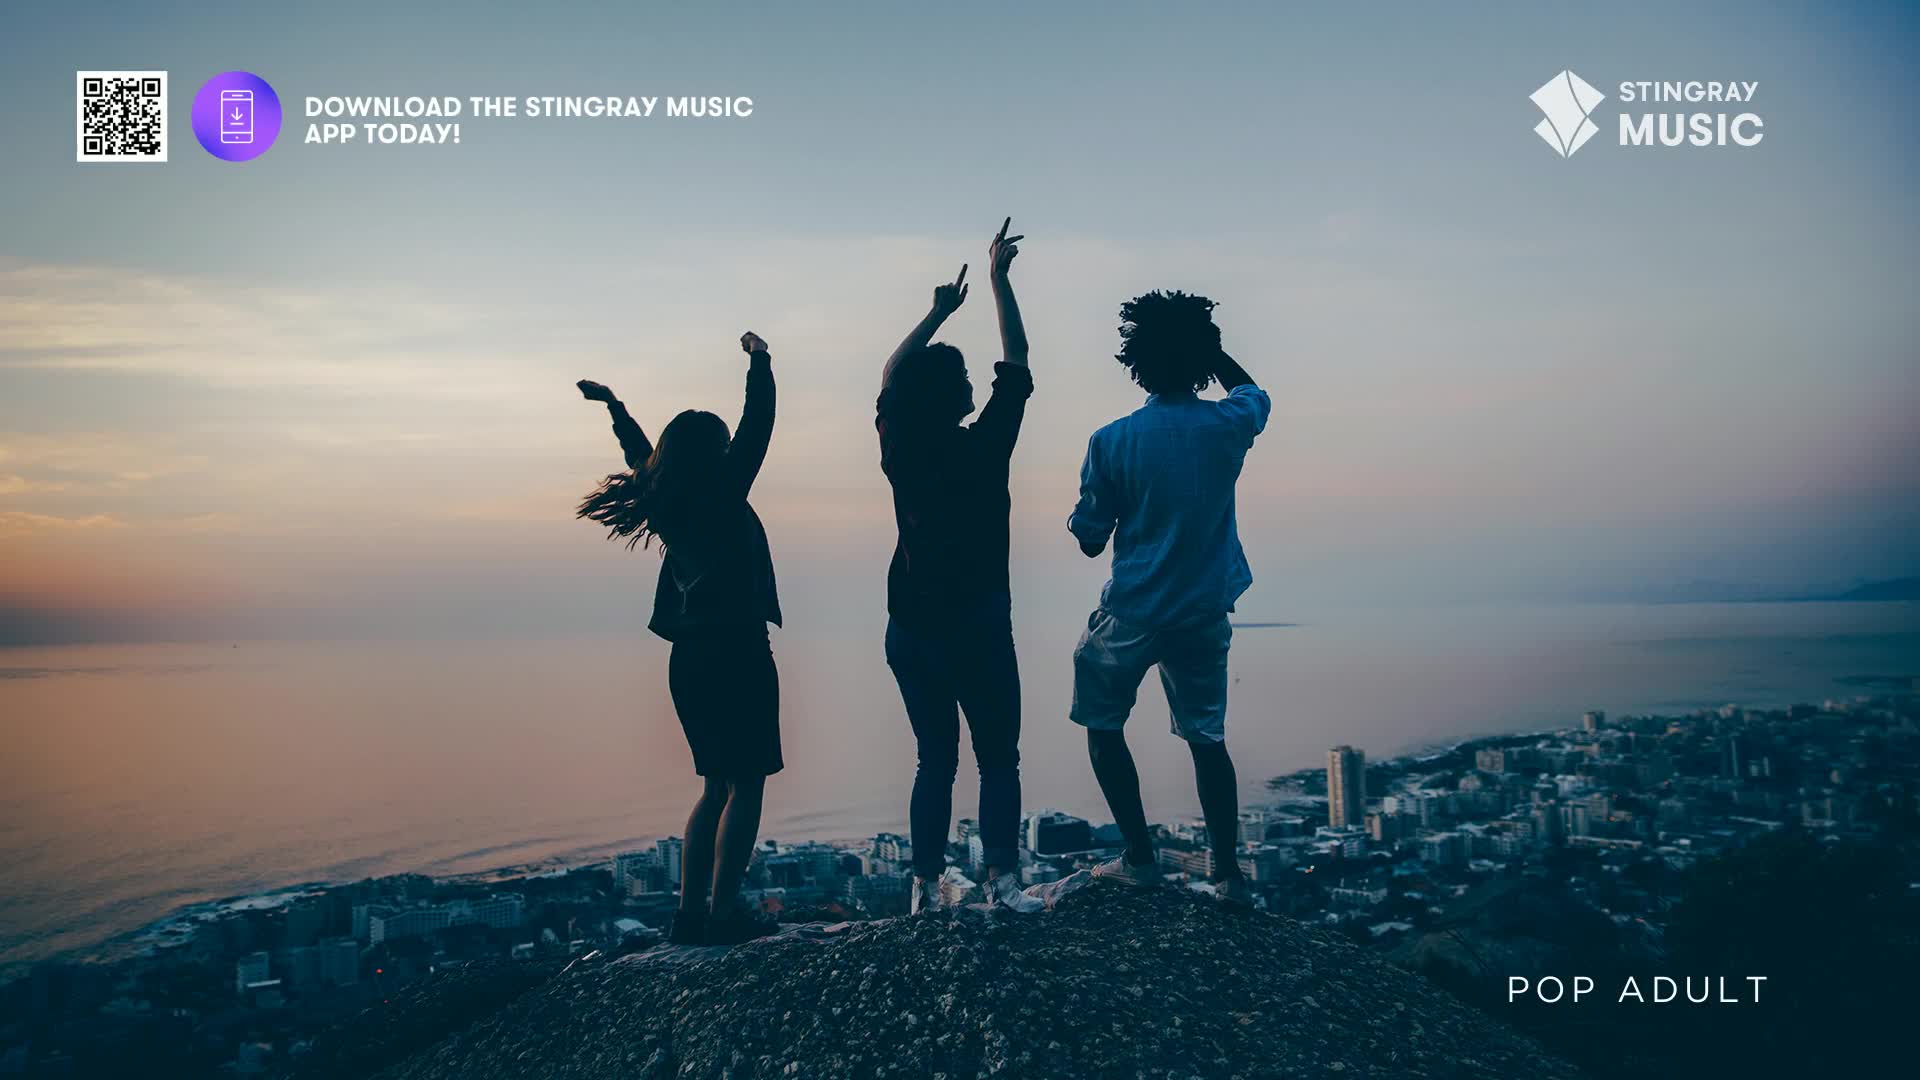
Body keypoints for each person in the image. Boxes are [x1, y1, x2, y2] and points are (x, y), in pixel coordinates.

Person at [576, 331, 784, 945]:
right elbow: (760, 422)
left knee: (714, 786)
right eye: (722, 445)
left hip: (688, 660)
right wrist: (759, 360)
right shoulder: (723, 493)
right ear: (716, 454)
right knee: (746, 785)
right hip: (739, 653)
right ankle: (723, 917)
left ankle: (691, 914)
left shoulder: (662, 496)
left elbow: (641, 453)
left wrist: (617, 407)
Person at [1066, 291, 1271, 907]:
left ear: (1137, 363)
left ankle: (1140, 858)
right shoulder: (1226, 426)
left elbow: (1090, 538)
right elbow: (1254, 394)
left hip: (1132, 611)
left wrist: (1084, 520)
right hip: (1204, 611)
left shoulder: (1111, 441)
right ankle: (1228, 876)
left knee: (1103, 726)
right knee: (1208, 739)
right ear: (1201, 358)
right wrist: (1214, 351)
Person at [876, 218, 1044, 914]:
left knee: (933, 759)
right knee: (997, 756)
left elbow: (891, 376)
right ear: (956, 395)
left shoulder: (899, 449)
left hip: (910, 630)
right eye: (968, 376)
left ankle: (924, 886)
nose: (979, 380)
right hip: (974, 626)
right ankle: (1001, 881)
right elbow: (1020, 360)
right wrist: (1000, 282)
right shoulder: (984, 449)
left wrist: (938, 312)